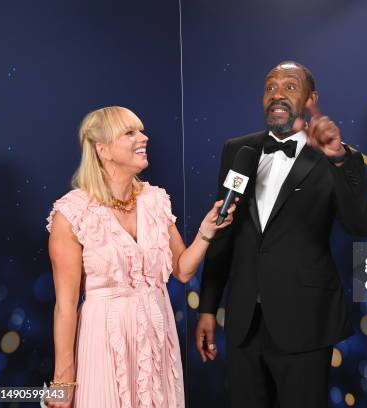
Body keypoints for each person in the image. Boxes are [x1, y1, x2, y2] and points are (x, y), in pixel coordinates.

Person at [196, 61, 367, 408]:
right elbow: (223, 231)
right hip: (244, 323)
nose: (277, 94)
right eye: (270, 87)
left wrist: (340, 159)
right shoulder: (238, 150)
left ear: (312, 98)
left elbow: (363, 224)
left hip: (305, 322)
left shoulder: (333, 153)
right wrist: (208, 306)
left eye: (290, 87)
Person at [45, 106, 236, 407]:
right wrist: (63, 379)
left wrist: (206, 231)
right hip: (105, 341)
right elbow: (65, 307)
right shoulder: (71, 214)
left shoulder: (156, 200)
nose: (144, 138)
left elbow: (182, 271)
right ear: (103, 150)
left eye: (141, 130)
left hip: (157, 337)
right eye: (130, 132)